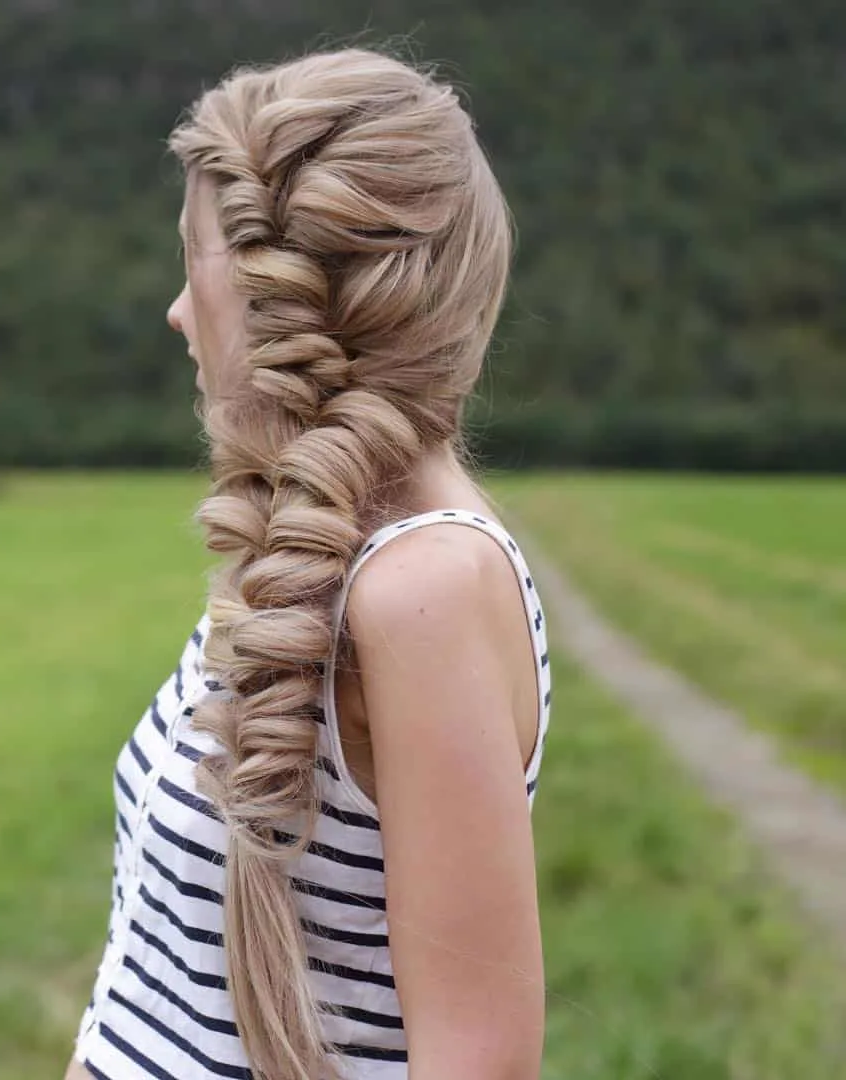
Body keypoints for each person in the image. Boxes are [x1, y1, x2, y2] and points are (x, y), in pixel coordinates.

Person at [66, 47, 552, 1080]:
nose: (177, 313)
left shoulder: (422, 591)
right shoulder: (322, 551)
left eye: (193, 264)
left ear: (278, 292)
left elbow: (481, 1063)